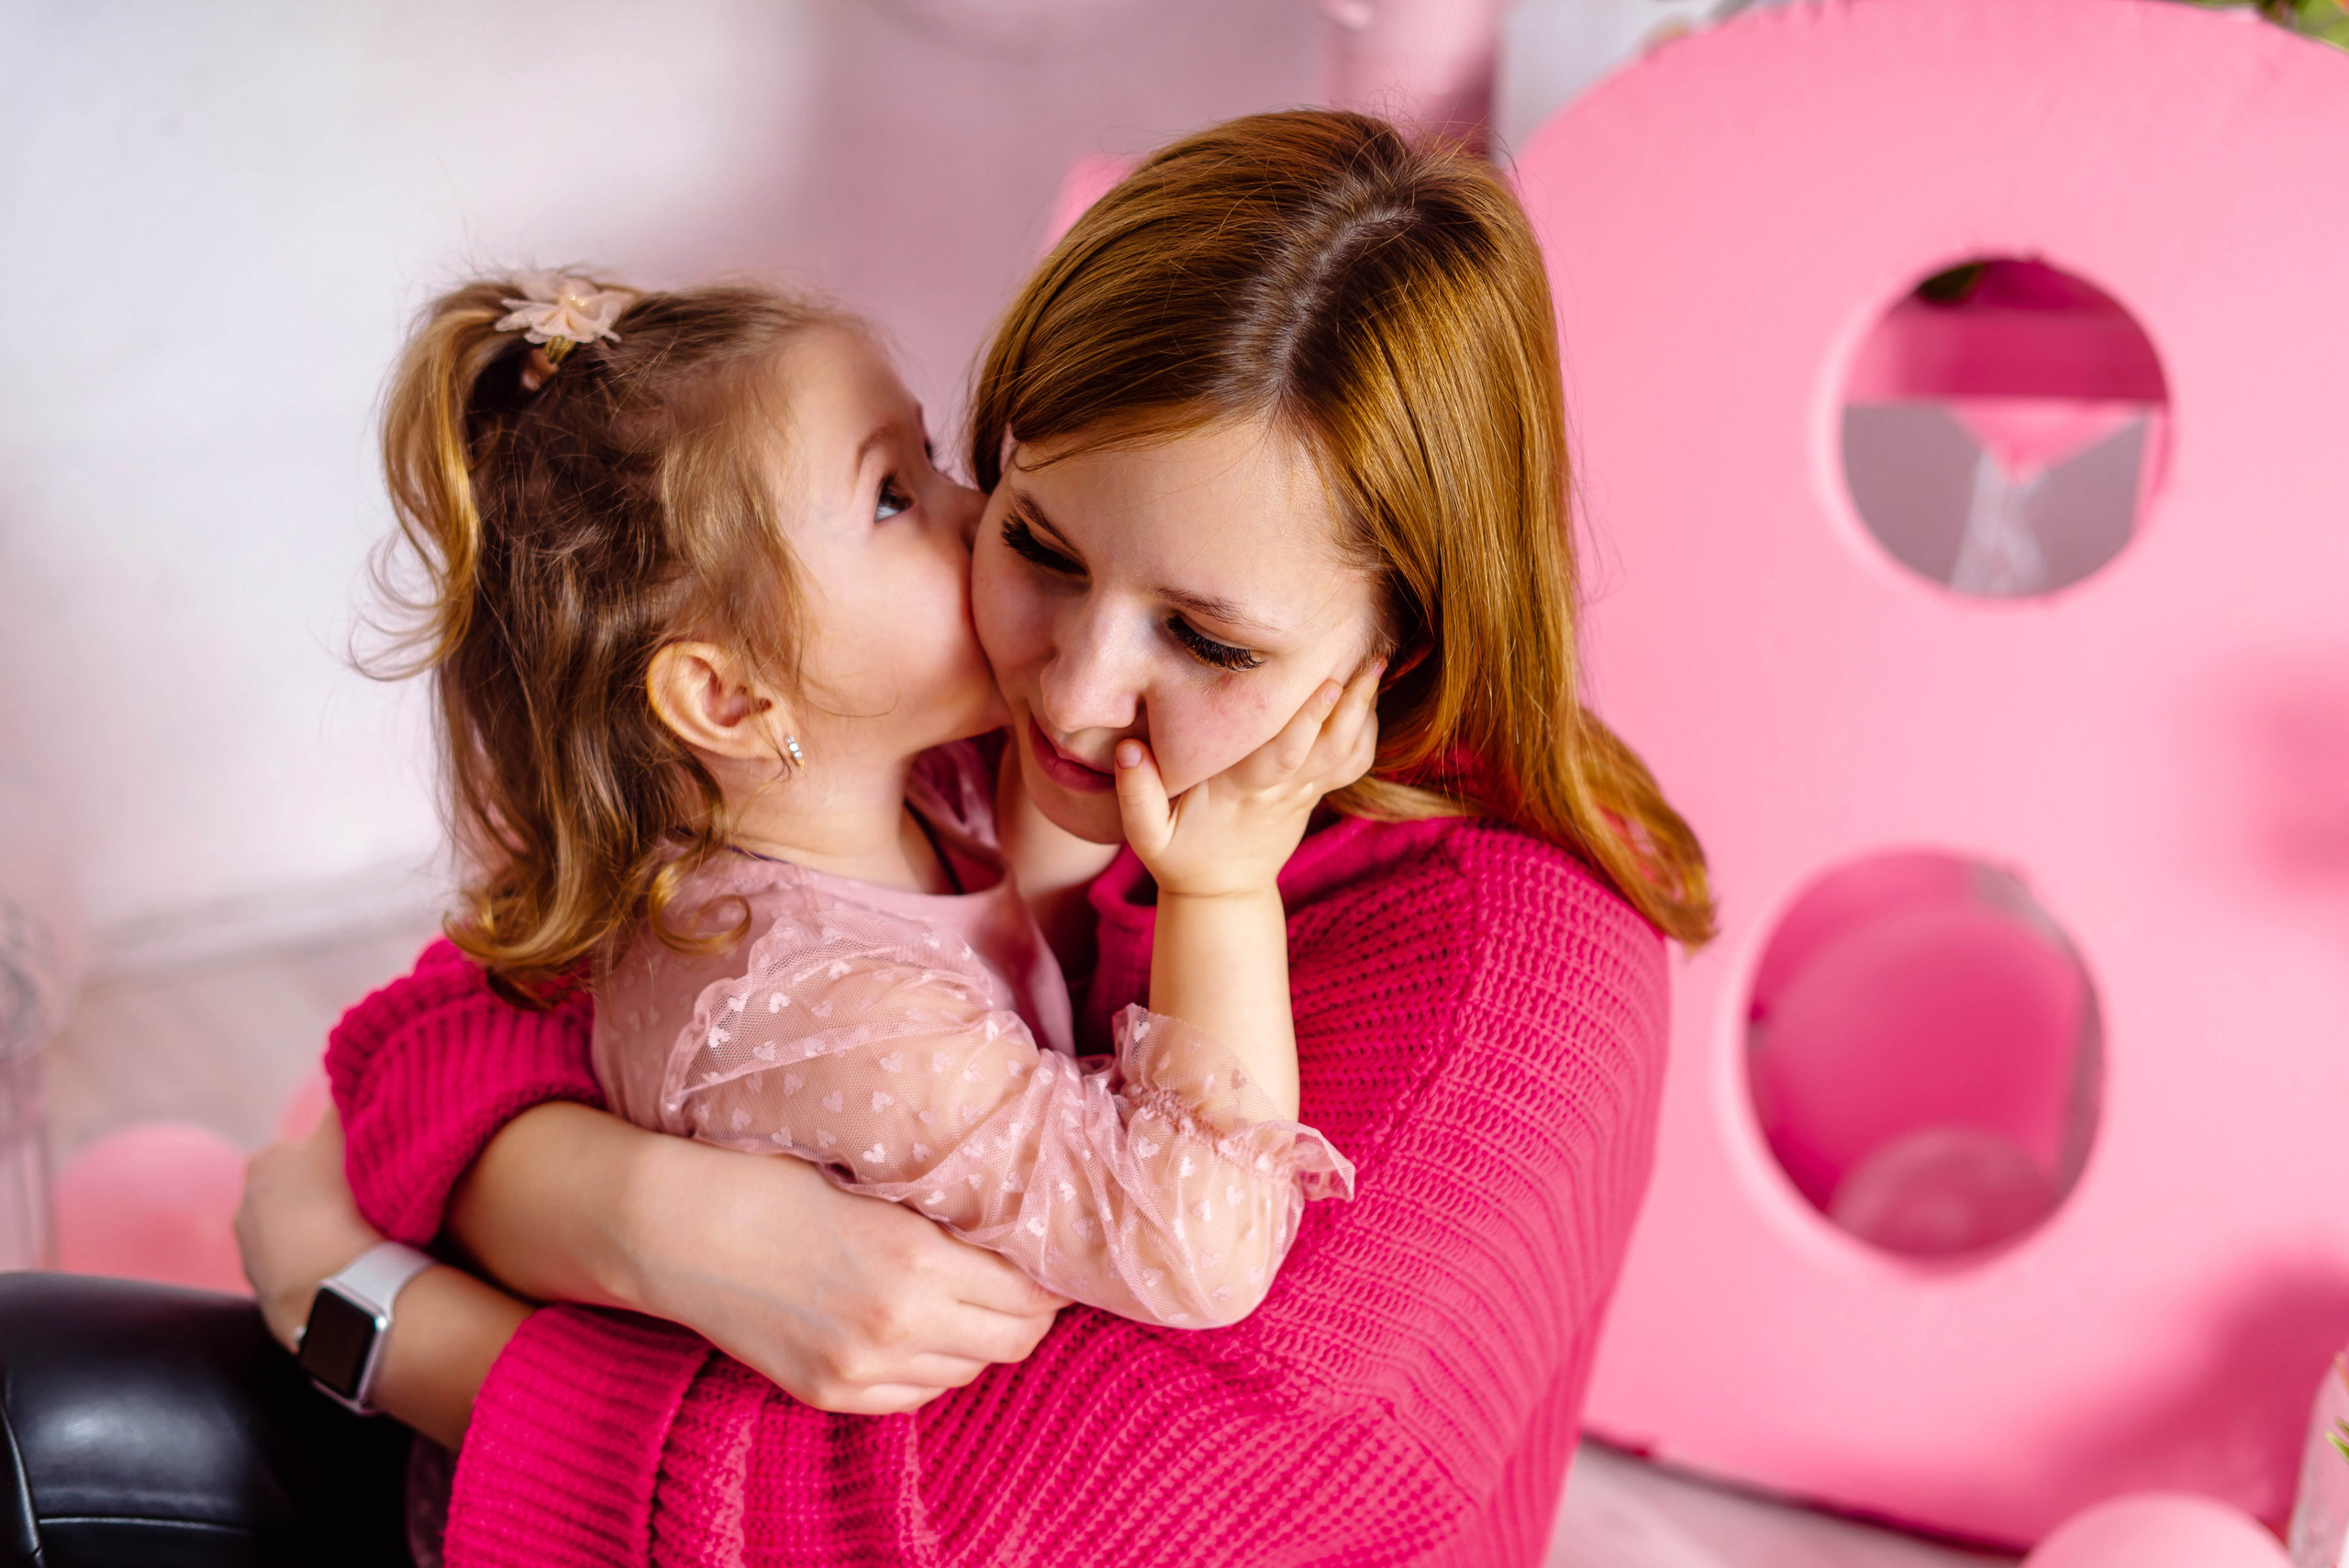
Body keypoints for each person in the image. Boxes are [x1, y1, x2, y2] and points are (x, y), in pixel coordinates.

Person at [221, 106, 1718, 1566]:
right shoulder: (928, 753)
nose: (1067, 685)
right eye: (1035, 537)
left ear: (1407, 634)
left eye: (1207, 635)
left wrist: (373, 1309)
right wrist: (638, 1211)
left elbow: (939, 1525)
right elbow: (446, 1033)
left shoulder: (1510, 982)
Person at [353, 268, 1371, 1340]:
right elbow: (1195, 1249)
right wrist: (1224, 888)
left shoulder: (895, 793)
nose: (975, 515)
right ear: (731, 695)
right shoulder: (839, 1010)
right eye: (894, 495)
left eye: (930, 459)